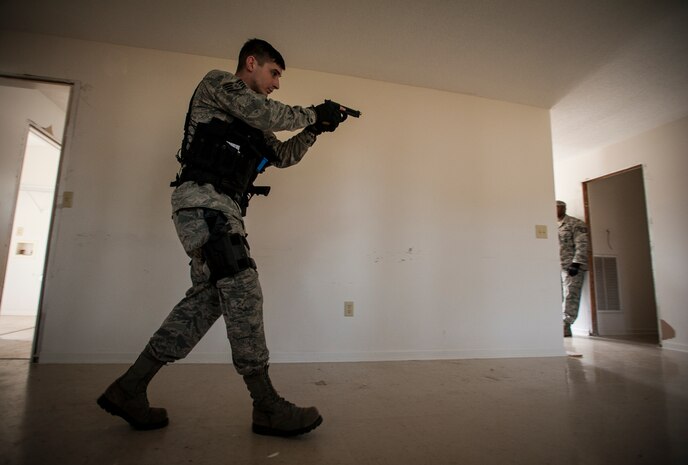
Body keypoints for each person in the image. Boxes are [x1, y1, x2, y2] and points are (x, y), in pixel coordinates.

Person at [97, 39, 348, 436]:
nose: (277, 83)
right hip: (204, 203)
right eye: (274, 73)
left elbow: (281, 156)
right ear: (251, 63)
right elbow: (264, 111)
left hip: (221, 208)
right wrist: (310, 111)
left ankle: (130, 387)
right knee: (243, 286)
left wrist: (315, 129)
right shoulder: (219, 85)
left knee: (208, 300)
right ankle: (265, 405)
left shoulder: (253, 121)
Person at [557, 200, 589, 337]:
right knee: (557, 295)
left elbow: (582, 244)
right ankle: (555, 323)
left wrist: (576, 263)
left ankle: (566, 324)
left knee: (571, 295)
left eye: (558, 208)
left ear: (564, 208)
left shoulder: (575, 224)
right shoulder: (548, 224)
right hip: (555, 265)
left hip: (570, 266)